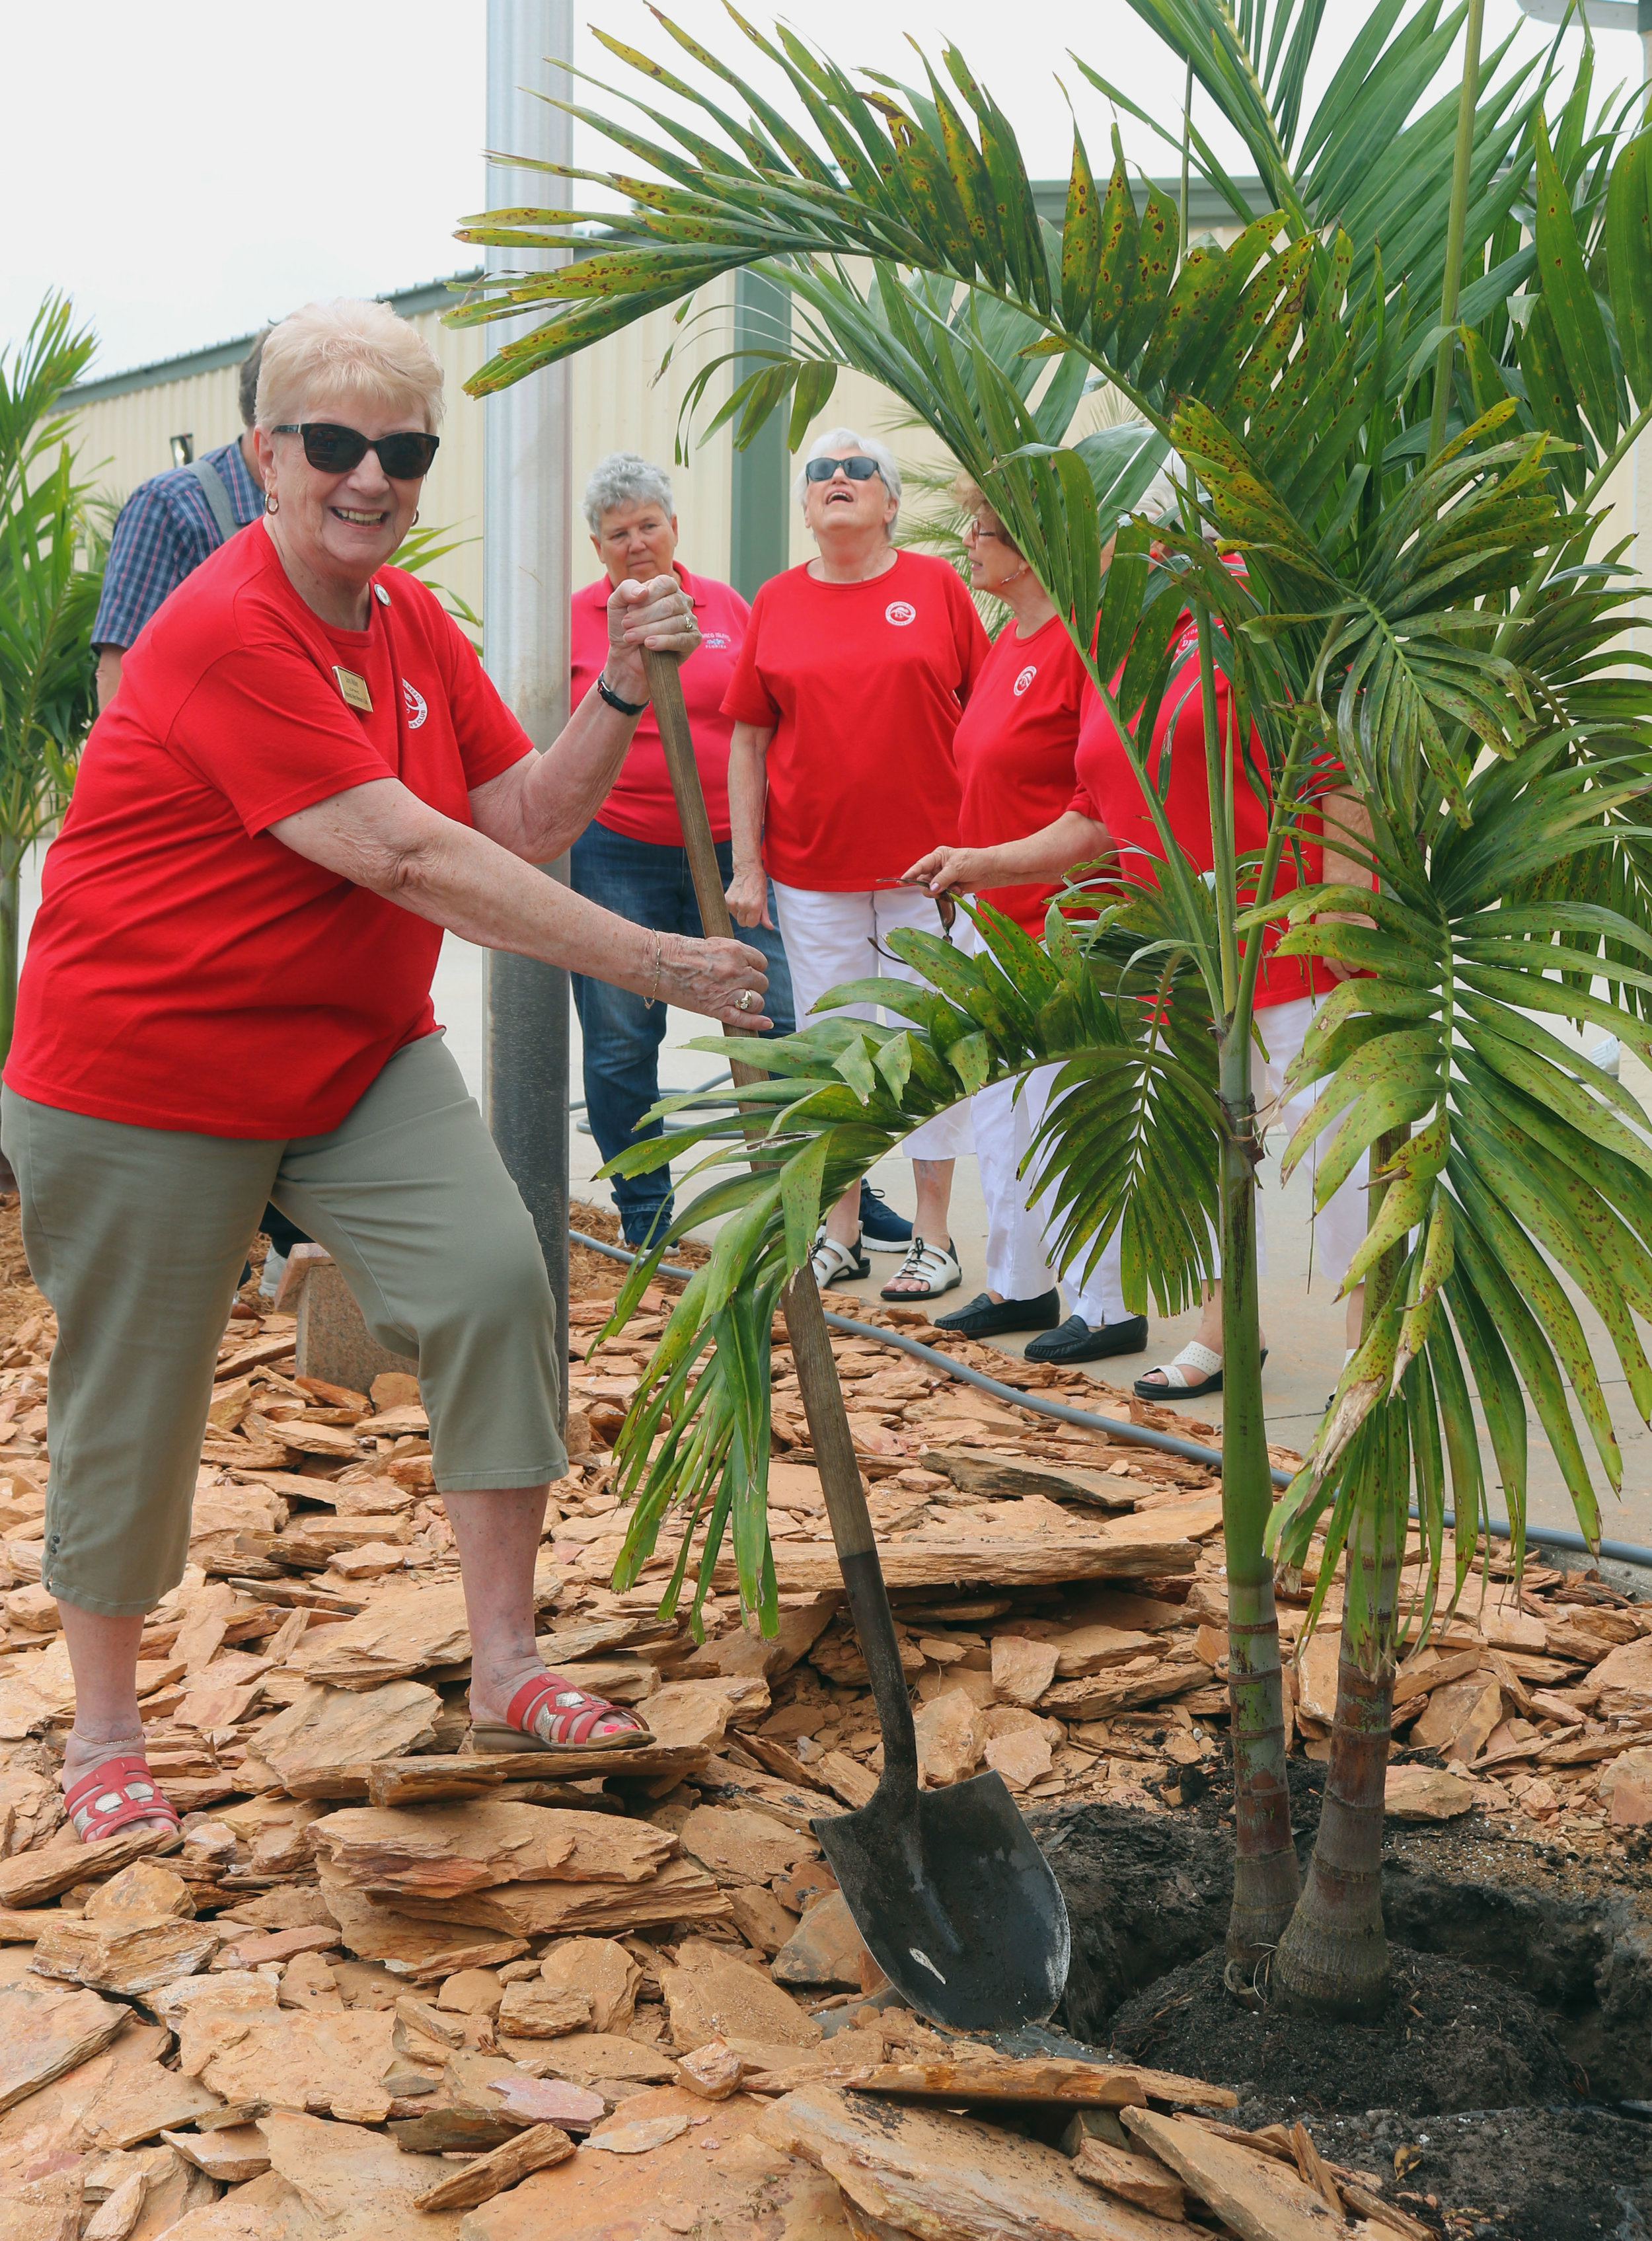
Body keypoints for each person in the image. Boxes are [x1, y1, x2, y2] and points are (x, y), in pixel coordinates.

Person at [1, 299, 769, 1844]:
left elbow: (525, 818)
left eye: (403, 449)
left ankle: (504, 1661)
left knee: (497, 1281)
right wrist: (662, 963)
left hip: (350, 1057)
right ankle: (102, 1731)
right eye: (337, 444)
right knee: (135, 1393)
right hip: (145, 1069)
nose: (371, 476)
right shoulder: (220, 628)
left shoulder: (413, 627)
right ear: (265, 453)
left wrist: (620, 686)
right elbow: (410, 854)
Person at [908, 525, 1370, 1400]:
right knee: (1201, 1152)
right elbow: (1096, 813)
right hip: (1175, 948)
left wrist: (1343, 924)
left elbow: (1338, 774)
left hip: (1288, 939)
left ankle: (1367, 1345)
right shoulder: (1119, 655)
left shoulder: (1262, 612)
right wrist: (984, 857)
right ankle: (1224, 1326)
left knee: (1333, 1148)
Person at [723, 428, 987, 1301]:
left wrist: (989, 850)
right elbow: (750, 738)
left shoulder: (937, 586)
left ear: (893, 500)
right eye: (820, 473)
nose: (838, 479)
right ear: (805, 505)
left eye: (858, 469)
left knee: (927, 1047)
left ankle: (934, 1234)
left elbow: (984, 723)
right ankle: (841, 1226)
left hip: (932, 872)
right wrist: (749, 864)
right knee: (837, 1049)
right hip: (811, 871)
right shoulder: (777, 599)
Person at [93, 326, 315, 1296]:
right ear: (263, 427)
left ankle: (286, 1253)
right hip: (208, 835)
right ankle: (203, 1260)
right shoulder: (177, 507)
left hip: (305, 826)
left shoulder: (322, 518)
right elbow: (120, 681)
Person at [922, 482, 1148, 1363]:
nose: (968, 542)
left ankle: (1107, 1300)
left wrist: (988, 863)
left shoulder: (1078, 649)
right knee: (1000, 1110)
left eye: (982, 528)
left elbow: (1094, 806)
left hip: (1059, 916)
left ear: (1028, 542)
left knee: (1067, 1110)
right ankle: (1019, 1280)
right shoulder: (1005, 643)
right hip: (987, 908)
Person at [568, 453, 795, 1246]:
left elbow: (762, 720)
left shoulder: (727, 606)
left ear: (675, 528)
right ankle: (645, 1211)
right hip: (615, 851)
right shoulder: (574, 621)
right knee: (623, 1032)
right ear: (596, 547)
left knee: (777, 1018)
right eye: (616, 532)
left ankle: (814, 1198)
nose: (635, 542)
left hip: (732, 851)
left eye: (648, 525)